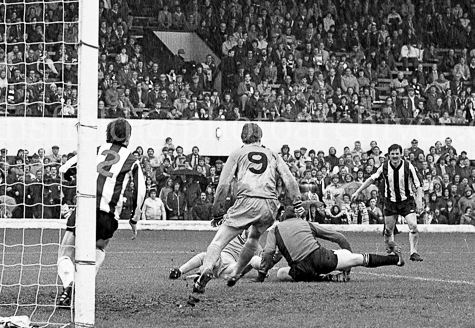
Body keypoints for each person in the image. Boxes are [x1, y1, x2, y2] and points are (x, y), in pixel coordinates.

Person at [190, 122, 302, 300]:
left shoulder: (238, 153)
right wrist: (297, 203)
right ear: (260, 137)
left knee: (218, 241)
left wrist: (218, 210)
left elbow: (224, 184)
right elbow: (289, 179)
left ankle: (206, 269)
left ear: (243, 137)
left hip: (247, 200)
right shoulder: (272, 154)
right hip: (269, 205)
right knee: (254, 238)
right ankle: (236, 273)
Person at [55, 118, 145, 307]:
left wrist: (70, 176)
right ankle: (82, 287)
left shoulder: (95, 150)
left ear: (107, 134)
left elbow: (64, 170)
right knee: (98, 249)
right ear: (128, 137)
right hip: (107, 215)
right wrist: (134, 219)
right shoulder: (132, 160)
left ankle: (68, 285)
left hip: (84, 210)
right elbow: (141, 191)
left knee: (65, 254)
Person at [250, 205, 404, 283]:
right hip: (322, 259)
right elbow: (339, 237)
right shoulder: (306, 224)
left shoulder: (276, 229)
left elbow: (270, 252)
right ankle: (395, 259)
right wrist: (347, 263)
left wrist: (261, 275)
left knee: (281, 273)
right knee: (358, 259)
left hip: (301, 269)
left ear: (281, 218)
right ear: (296, 216)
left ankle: (323, 279)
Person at [351, 144, 424, 261]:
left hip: (406, 201)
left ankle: (413, 252)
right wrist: (357, 191)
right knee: (388, 230)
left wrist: (419, 201)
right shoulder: (384, 167)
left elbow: (418, 185)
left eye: (397, 154)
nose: (395, 156)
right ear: (389, 155)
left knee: (413, 226)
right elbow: (371, 179)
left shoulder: (408, 166)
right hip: (390, 202)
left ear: (401, 154)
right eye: (392, 154)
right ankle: (391, 252)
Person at [169, 230, 262, 282]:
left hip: (232, 265)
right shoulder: (232, 235)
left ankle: (203, 274)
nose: (251, 230)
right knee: (205, 256)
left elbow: (260, 258)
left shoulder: (256, 246)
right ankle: (179, 271)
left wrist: (263, 269)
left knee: (253, 259)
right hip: (221, 257)